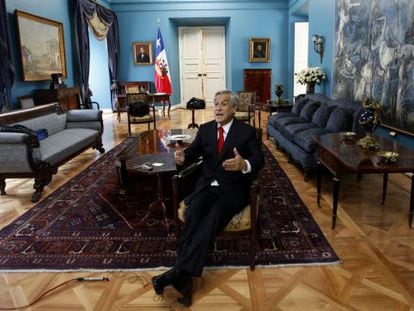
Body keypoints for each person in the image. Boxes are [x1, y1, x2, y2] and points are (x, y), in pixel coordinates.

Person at [151, 90, 265, 306]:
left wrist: (244, 165)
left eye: (224, 104)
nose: (219, 108)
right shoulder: (205, 130)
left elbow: (259, 159)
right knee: (193, 214)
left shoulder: (246, 131)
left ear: (233, 108)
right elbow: (192, 154)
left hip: (232, 191)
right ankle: (181, 276)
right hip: (206, 187)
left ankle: (177, 273)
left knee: (213, 217)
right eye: (216, 104)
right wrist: (182, 156)